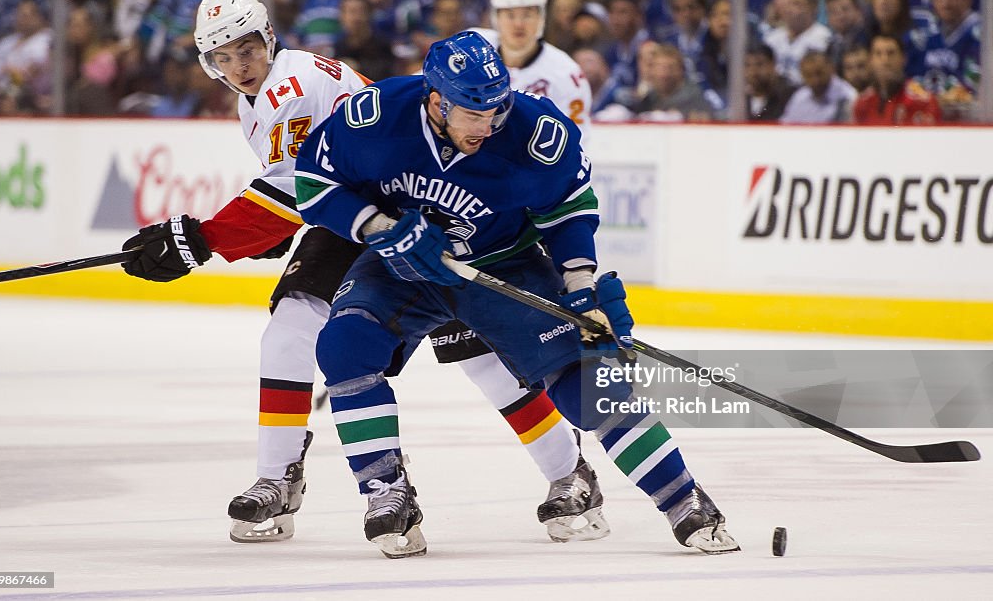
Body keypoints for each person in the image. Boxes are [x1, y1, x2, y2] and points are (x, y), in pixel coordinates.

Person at [119, 0, 602, 545]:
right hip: (364, 217)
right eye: (223, 57)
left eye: (247, 48)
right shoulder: (260, 95)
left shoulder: (292, 87)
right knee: (291, 331)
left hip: (411, 218)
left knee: (485, 358)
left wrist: (201, 239)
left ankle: (569, 471)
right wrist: (246, 233)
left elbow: (295, 189)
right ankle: (277, 476)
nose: (239, 65)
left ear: (269, 38)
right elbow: (304, 190)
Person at [293, 30, 739, 558]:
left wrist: (580, 287)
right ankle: (387, 493)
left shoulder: (535, 132)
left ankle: (683, 500)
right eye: (473, 114)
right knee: (344, 348)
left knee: (583, 385)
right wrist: (378, 226)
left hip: (504, 264)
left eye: (496, 110)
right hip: (404, 266)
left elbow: (570, 210)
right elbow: (313, 183)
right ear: (436, 102)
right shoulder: (377, 116)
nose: (489, 125)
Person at [470, 0, 592, 140]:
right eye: (510, 15)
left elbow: (575, 140)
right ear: (496, 18)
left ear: (541, 18)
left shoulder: (566, 74)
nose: (518, 24)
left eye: (527, 14)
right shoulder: (471, 48)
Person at [854, 33, 939, 125]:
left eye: (891, 53)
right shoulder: (863, 103)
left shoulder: (922, 101)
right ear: (870, 60)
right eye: (878, 54)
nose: (885, 60)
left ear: (904, 58)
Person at [779, 50, 856, 123]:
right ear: (802, 75)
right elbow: (784, 126)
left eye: (819, 73)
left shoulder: (848, 96)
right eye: (809, 75)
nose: (815, 80)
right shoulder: (799, 97)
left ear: (831, 68)